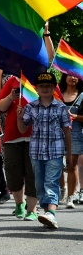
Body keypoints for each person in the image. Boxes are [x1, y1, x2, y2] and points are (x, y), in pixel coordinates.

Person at [17, 72, 71, 229]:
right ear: (36, 88)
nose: (45, 89)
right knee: (39, 184)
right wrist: (19, 117)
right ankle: (48, 215)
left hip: (55, 150)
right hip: (36, 151)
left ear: (54, 88)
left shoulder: (61, 107)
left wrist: (69, 154)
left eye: (48, 86)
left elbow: (67, 131)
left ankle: (51, 213)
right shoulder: (30, 107)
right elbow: (22, 129)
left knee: (51, 181)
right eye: (41, 86)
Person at [0, 75, 38, 220]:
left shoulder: (41, 80)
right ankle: (20, 204)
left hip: (36, 136)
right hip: (13, 136)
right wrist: (10, 97)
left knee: (33, 173)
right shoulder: (12, 80)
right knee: (13, 172)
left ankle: (32, 209)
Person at [58, 73, 83, 208]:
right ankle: (63, 190)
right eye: (69, 75)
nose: (72, 78)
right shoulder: (57, 94)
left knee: (71, 165)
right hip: (57, 134)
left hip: (75, 134)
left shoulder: (82, 95)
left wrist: (74, 116)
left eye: (75, 76)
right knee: (57, 165)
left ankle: (70, 197)